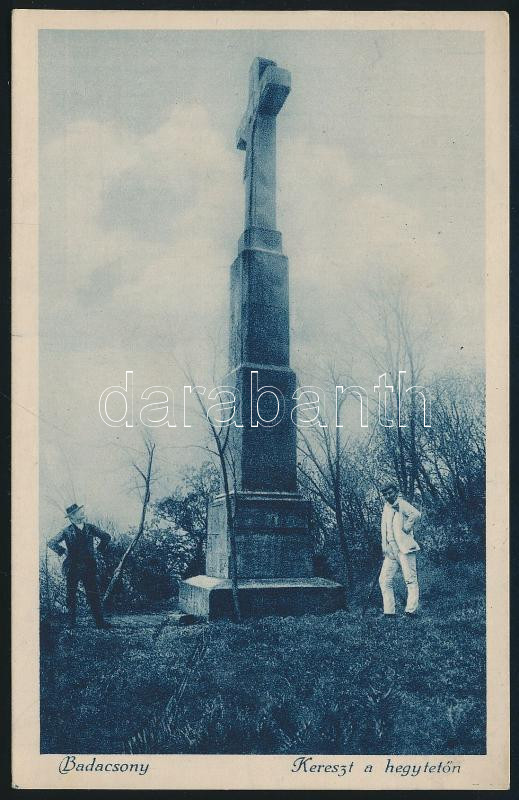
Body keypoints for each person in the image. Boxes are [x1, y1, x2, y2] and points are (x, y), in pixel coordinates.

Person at [48, 503, 111, 629]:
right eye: (78, 512)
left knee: (93, 594)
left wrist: (98, 550)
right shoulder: (66, 531)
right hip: (73, 567)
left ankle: (100, 623)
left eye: (81, 511)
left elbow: (106, 537)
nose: (82, 512)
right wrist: (64, 551)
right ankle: (71, 623)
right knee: (71, 595)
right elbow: (51, 542)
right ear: (72, 517)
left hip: (89, 566)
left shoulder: (90, 527)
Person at [378, 483, 421, 617]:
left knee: (410, 579)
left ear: (396, 492)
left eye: (390, 493)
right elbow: (384, 527)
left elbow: (416, 514)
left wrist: (407, 527)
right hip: (391, 549)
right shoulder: (386, 507)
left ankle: (411, 611)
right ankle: (389, 612)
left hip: (405, 548)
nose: (388, 496)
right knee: (384, 580)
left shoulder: (402, 504)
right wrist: (384, 545)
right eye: (385, 494)